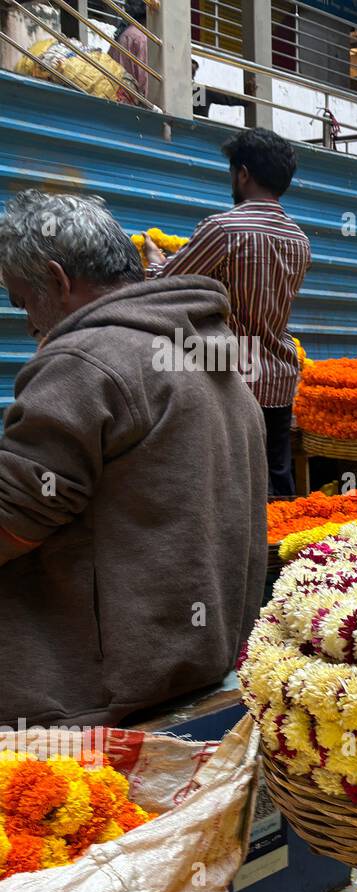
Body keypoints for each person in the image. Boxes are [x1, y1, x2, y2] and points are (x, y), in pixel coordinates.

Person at [0, 189, 266, 727]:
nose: (27, 322)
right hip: (196, 658)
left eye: (23, 300)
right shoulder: (204, 347)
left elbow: (14, 518)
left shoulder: (86, 361)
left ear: (58, 278)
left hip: (95, 689)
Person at [143, 128, 311, 498]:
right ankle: (282, 553)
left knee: (230, 487)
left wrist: (154, 261)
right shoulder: (299, 239)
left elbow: (167, 284)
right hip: (279, 378)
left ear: (243, 173)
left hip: (230, 378)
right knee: (276, 485)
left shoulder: (224, 228)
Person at [108, 0, 149, 101]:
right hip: (131, 101)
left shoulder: (123, 33)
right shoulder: (141, 38)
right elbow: (144, 79)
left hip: (114, 95)